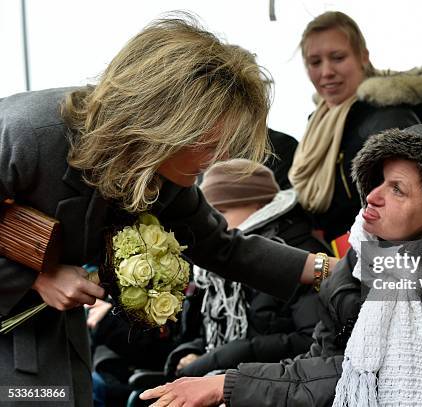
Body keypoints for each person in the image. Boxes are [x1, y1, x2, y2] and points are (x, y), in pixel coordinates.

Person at [0, 15, 332, 407]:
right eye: (211, 142)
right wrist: (38, 276)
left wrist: (330, 269)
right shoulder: (25, 134)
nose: (222, 159)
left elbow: (222, 247)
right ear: (167, 120)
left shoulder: (165, 172)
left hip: (55, 347)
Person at [141, 123, 422, 406]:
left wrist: (228, 385)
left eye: (397, 190)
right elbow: (322, 356)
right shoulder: (371, 254)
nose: (373, 196)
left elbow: (360, 377)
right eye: (377, 182)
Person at [164, 159, 328, 378]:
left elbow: (313, 340)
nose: (208, 224)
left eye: (219, 212)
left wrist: (221, 358)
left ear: (259, 205)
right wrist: (192, 352)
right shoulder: (210, 271)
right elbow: (214, 334)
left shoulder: (301, 253)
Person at [288, 11, 422, 244]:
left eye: (337, 57)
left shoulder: (390, 117)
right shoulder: (317, 120)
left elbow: (407, 209)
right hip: (333, 255)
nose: (326, 72)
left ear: (363, 57)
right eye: (315, 62)